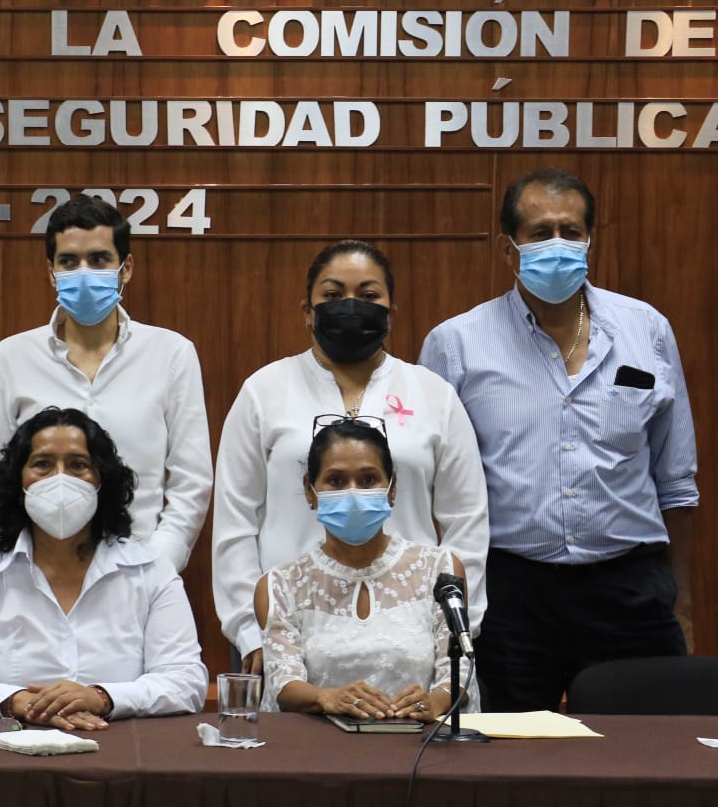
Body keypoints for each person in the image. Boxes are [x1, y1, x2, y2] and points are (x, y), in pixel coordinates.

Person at [419, 168, 697, 712]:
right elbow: (433, 490)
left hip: (629, 589)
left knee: (642, 760)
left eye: (571, 232)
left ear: (591, 240)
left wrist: (680, 601)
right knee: (509, 763)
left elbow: (677, 482)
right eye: (541, 232)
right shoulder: (456, 345)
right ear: (508, 248)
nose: (558, 245)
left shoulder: (647, 330)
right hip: (510, 592)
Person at [212, 240, 488, 674]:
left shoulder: (434, 394)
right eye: (333, 295)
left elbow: (466, 521)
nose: (351, 306)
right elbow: (235, 522)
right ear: (308, 310)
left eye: (369, 296)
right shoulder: (263, 391)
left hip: (411, 633)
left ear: (391, 312)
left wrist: (454, 632)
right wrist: (251, 632)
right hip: (285, 629)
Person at [0, 194, 212, 573]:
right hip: (34, 575)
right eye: (69, 261)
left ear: (125, 268)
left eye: (98, 260)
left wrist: (155, 568)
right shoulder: (7, 360)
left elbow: (191, 483)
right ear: (51, 272)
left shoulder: (172, 355)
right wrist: (25, 565)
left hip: (141, 569)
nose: (83, 271)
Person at [0, 407, 206, 729]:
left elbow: (186, 681)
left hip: (122, 753)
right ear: (19, 479)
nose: (60, 478)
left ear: (102, 480)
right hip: (13, 750)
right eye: (43, 464)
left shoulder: (150, 569)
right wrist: (22, 701)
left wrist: (101, 697)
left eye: (78, 465)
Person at [257, 416, 463, 718]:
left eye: (368, 480)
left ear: (391, 488)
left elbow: (458, 670)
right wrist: (326, 697)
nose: (353, 493)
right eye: (336, 481)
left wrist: (436, 702)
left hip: (418, 747)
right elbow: (283, 684)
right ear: (309, 490)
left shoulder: (440, 569)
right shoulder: (280, 584)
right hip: (319, 749)